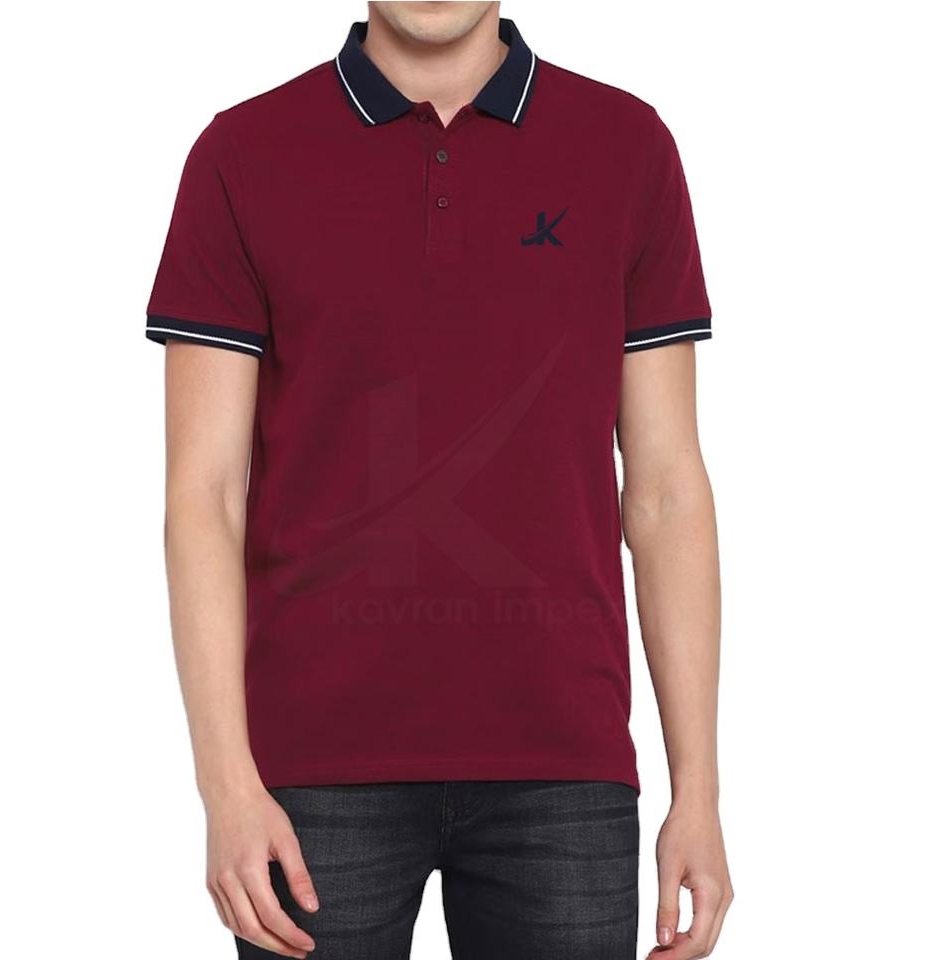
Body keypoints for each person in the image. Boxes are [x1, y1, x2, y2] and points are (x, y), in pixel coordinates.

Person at [145, 3, 733, 958]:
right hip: (309, 775)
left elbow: (666, 490)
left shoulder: (627, 148)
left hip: (565, 766)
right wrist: (225, 785)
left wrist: (696, 791)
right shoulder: (242, 154)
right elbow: (203, 500)